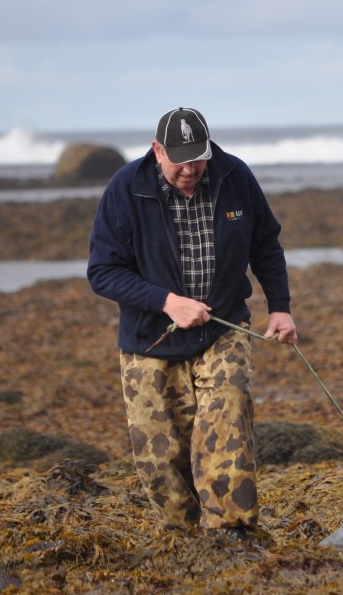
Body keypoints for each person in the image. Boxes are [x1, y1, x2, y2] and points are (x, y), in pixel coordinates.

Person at [87, 106, 297, 542]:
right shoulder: (126, 189)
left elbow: (266, 243)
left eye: (198, 158)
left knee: (228, 420)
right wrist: (166, 302)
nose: (190, 169)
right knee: (160, 452)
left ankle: (230, 532)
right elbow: (103, 272)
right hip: (149, 339)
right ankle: (184, 538)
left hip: (222, 330)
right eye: (179, 159)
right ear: (156, 149)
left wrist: (280, 307)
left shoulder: (234, 176)